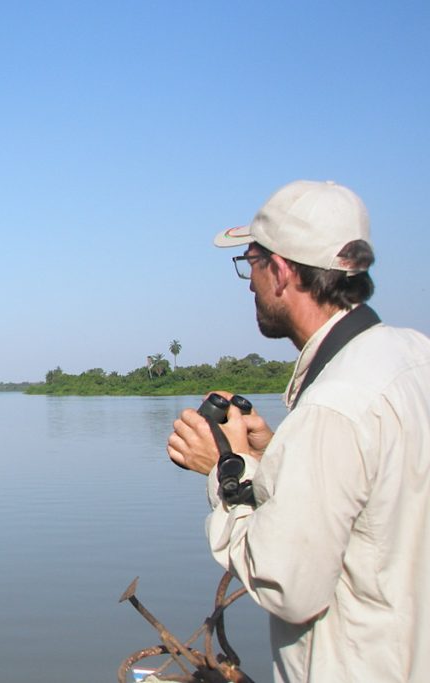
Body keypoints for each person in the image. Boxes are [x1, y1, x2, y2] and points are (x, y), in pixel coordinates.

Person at [166, 180, 430, 683]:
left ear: (282, 271)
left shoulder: (332, 407)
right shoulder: (414, 355)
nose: (249, 282)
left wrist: (226, 470)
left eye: (251, 263)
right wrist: (275, 455)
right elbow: (372, 509)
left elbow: (288, 586)